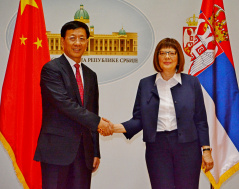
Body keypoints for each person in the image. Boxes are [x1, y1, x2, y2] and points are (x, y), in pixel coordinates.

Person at [103, 38, 214, 189]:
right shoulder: (146, 84)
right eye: (162, 53)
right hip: (157, 148)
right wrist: (113, 127)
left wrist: (206, 150)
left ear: (178, 57)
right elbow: (139, 119)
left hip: (188, 148)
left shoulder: (192, 83)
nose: (167, 57)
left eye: (171, 53)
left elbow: (200, 120)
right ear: (157, 57)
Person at [34, 21, 113, 189]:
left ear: (87, 42)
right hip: (56, 151)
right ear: (63, 41)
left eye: (82, 39)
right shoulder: (51, 69)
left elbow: (92, 110)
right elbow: (64, 104)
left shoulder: (90, 75)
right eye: (72, 38)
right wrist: (99, 122)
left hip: (84, 154)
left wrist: (95, 152)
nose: (77, 43)